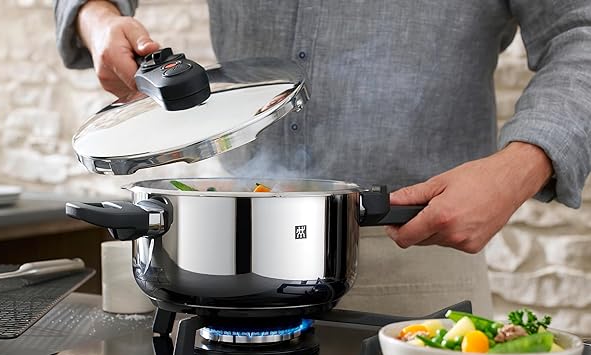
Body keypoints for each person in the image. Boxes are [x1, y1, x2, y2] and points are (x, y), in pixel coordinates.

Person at [53, 0, 591, 316]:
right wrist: (98, 18)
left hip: (411, 249)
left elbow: (581, 29)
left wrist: (519, 167)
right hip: (221, 260)